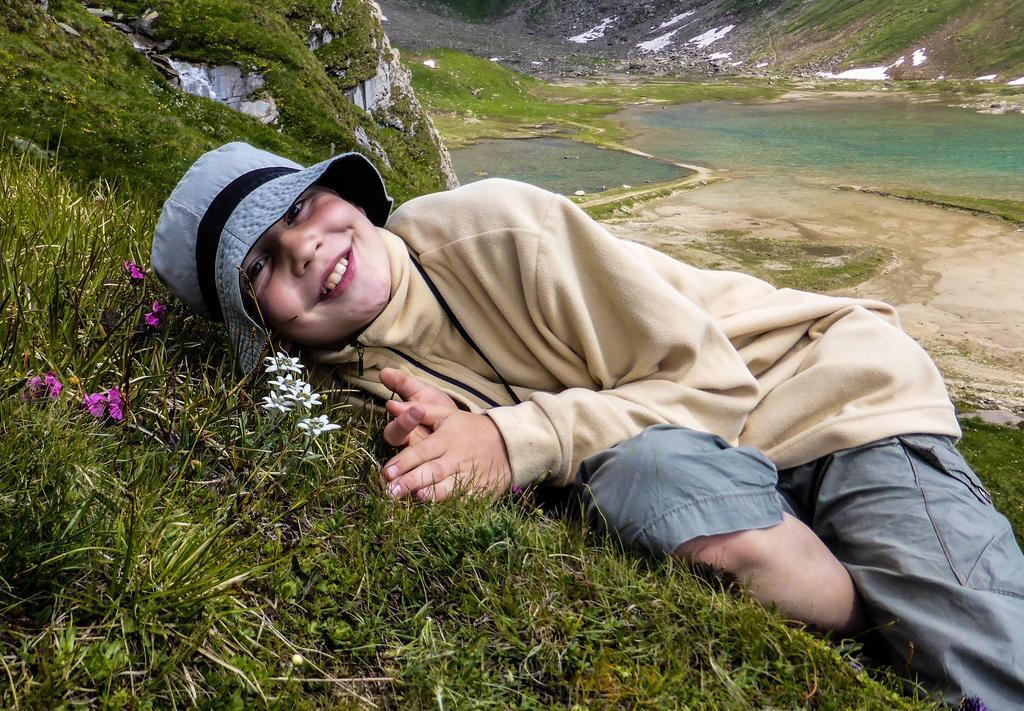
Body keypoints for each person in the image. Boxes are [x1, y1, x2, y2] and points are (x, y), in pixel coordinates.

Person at [152, 142, 1024, 708]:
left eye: (300, 208)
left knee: (985, 660)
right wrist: (466, 436)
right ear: (258, 323)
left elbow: (714, 384)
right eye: (261, 265)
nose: (304, 246)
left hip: (826, 398)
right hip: (695, 465)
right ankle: (868, 608)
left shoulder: (490, 226)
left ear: (344, 195)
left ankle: (893, 599)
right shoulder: (337, 393)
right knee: (646, 472)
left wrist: (510, 439)